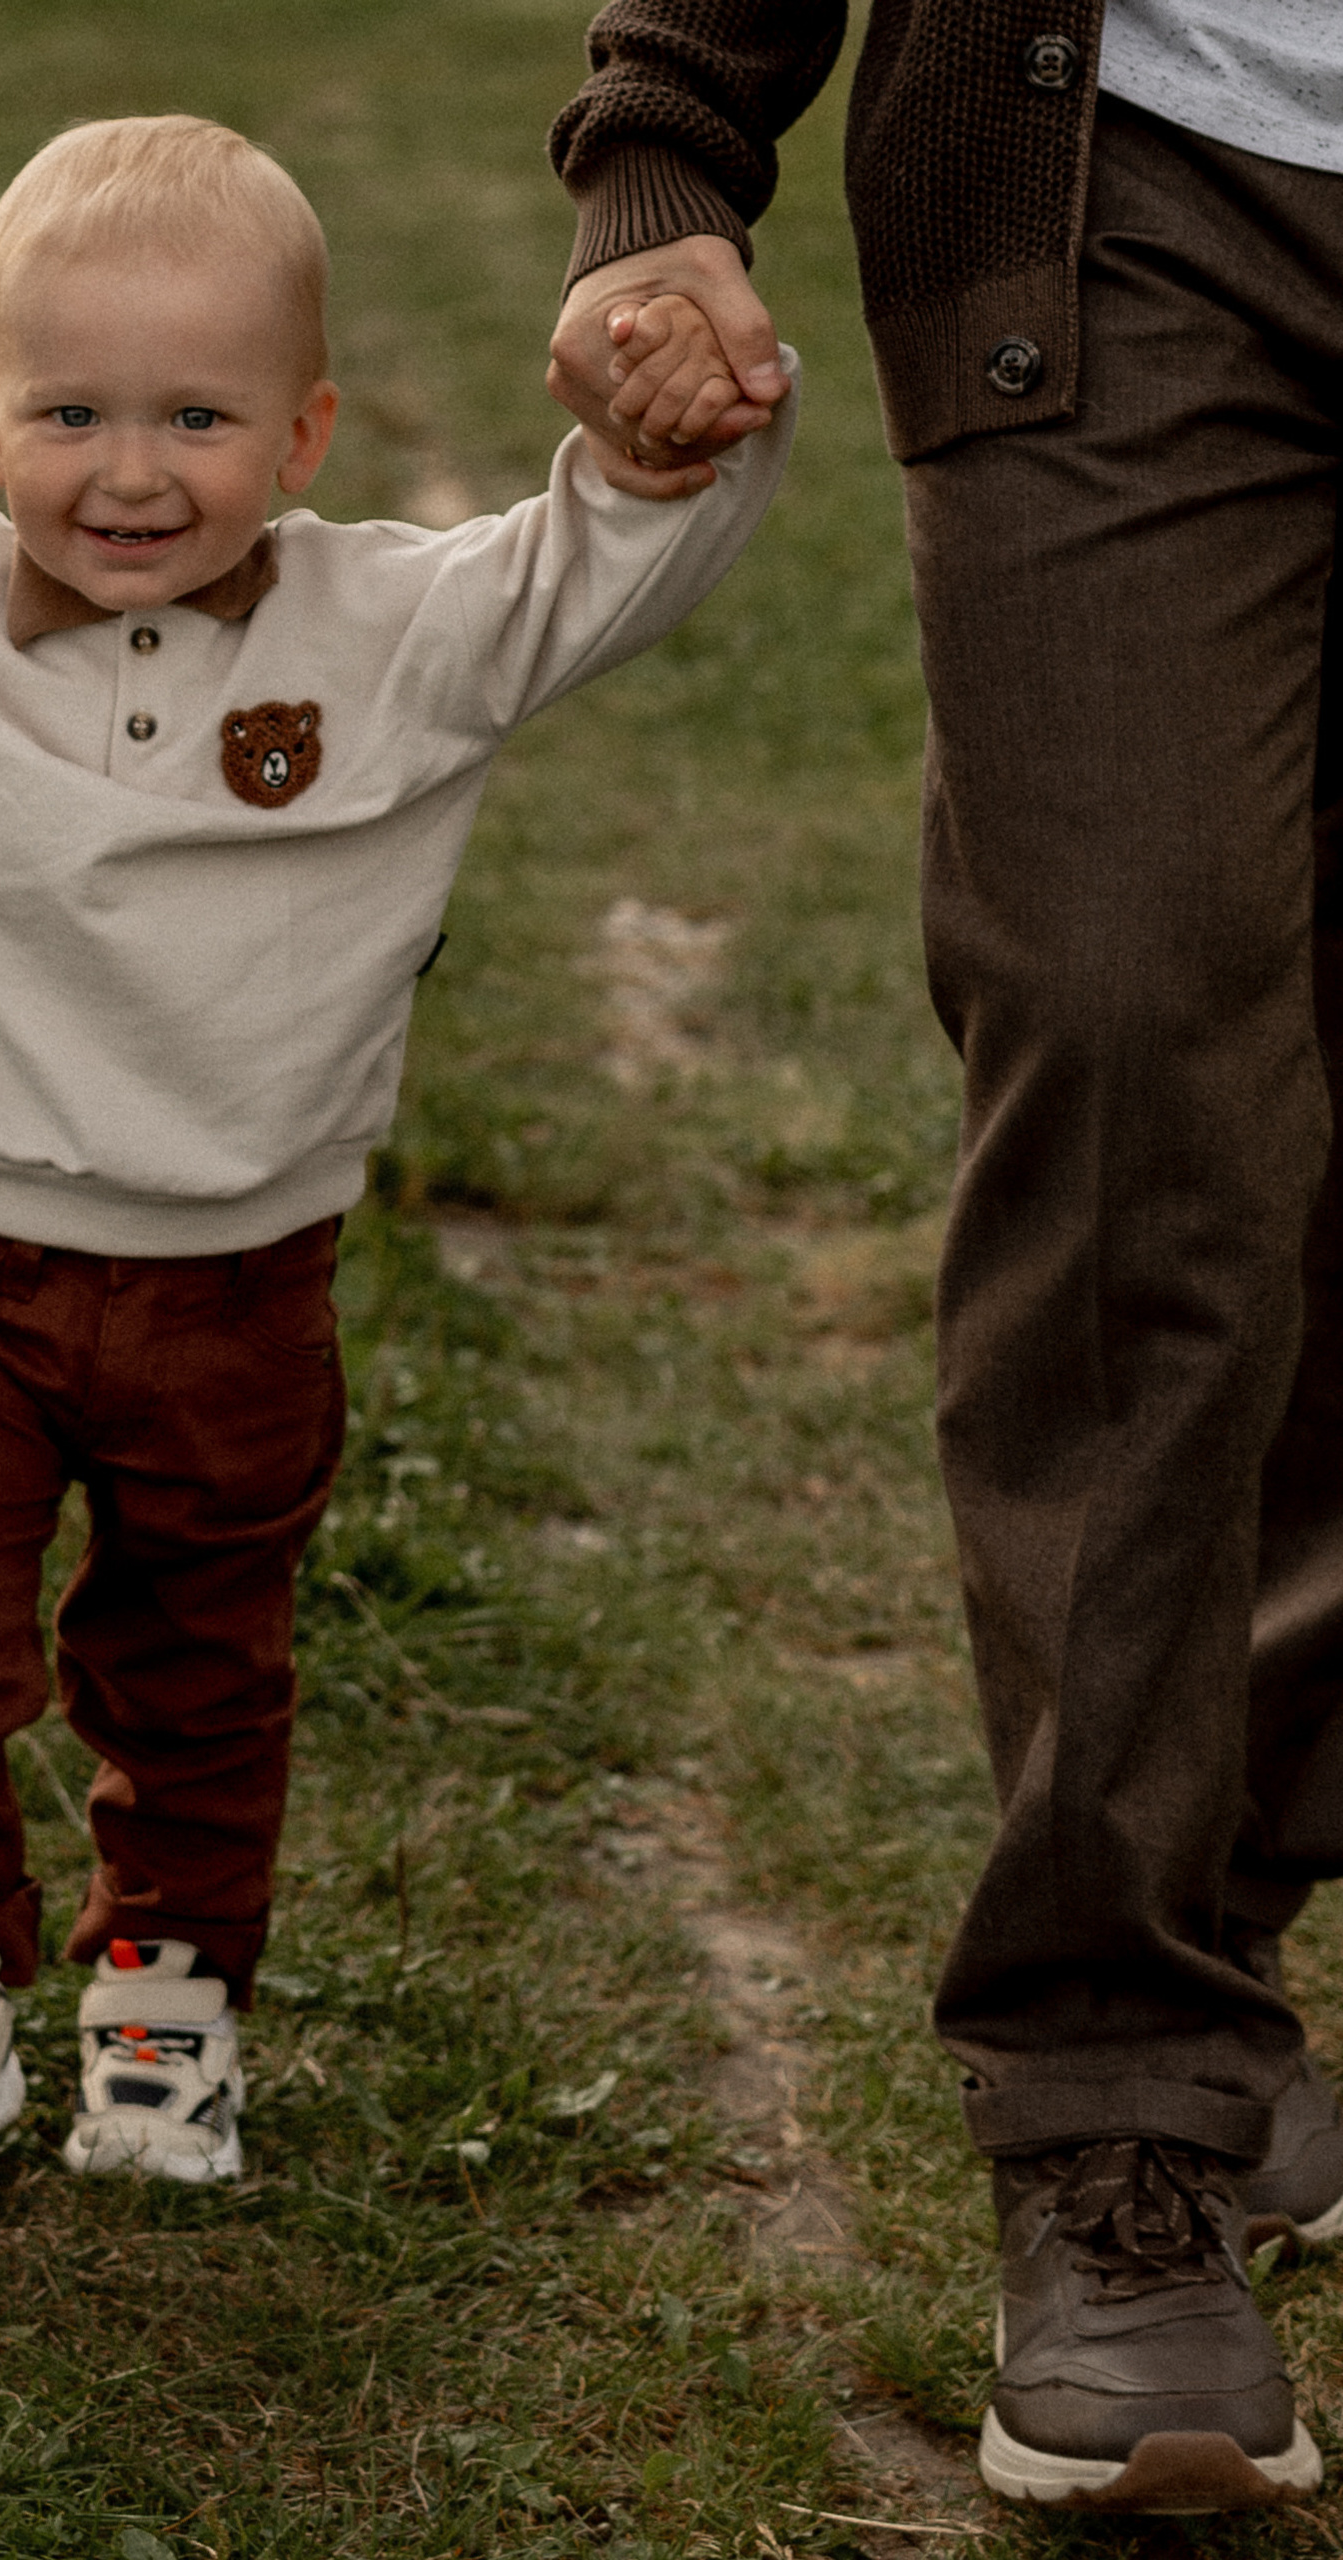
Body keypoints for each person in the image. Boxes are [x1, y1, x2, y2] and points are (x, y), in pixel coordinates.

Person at [0, 111, 792, 2202]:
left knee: (195, 1668)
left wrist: (670, 438)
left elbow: (594, 566)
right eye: (72, 414)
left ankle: (168, 1998)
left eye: (199, 418)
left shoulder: (394, 633)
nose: (130, 473)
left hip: (241, 1280)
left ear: (305, 433)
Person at [544, 0, 1343, 2517]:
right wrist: (666, 136)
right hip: (1132, 182)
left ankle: (1221, 1897)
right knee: (1126, 1058)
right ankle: (1112, 2093)